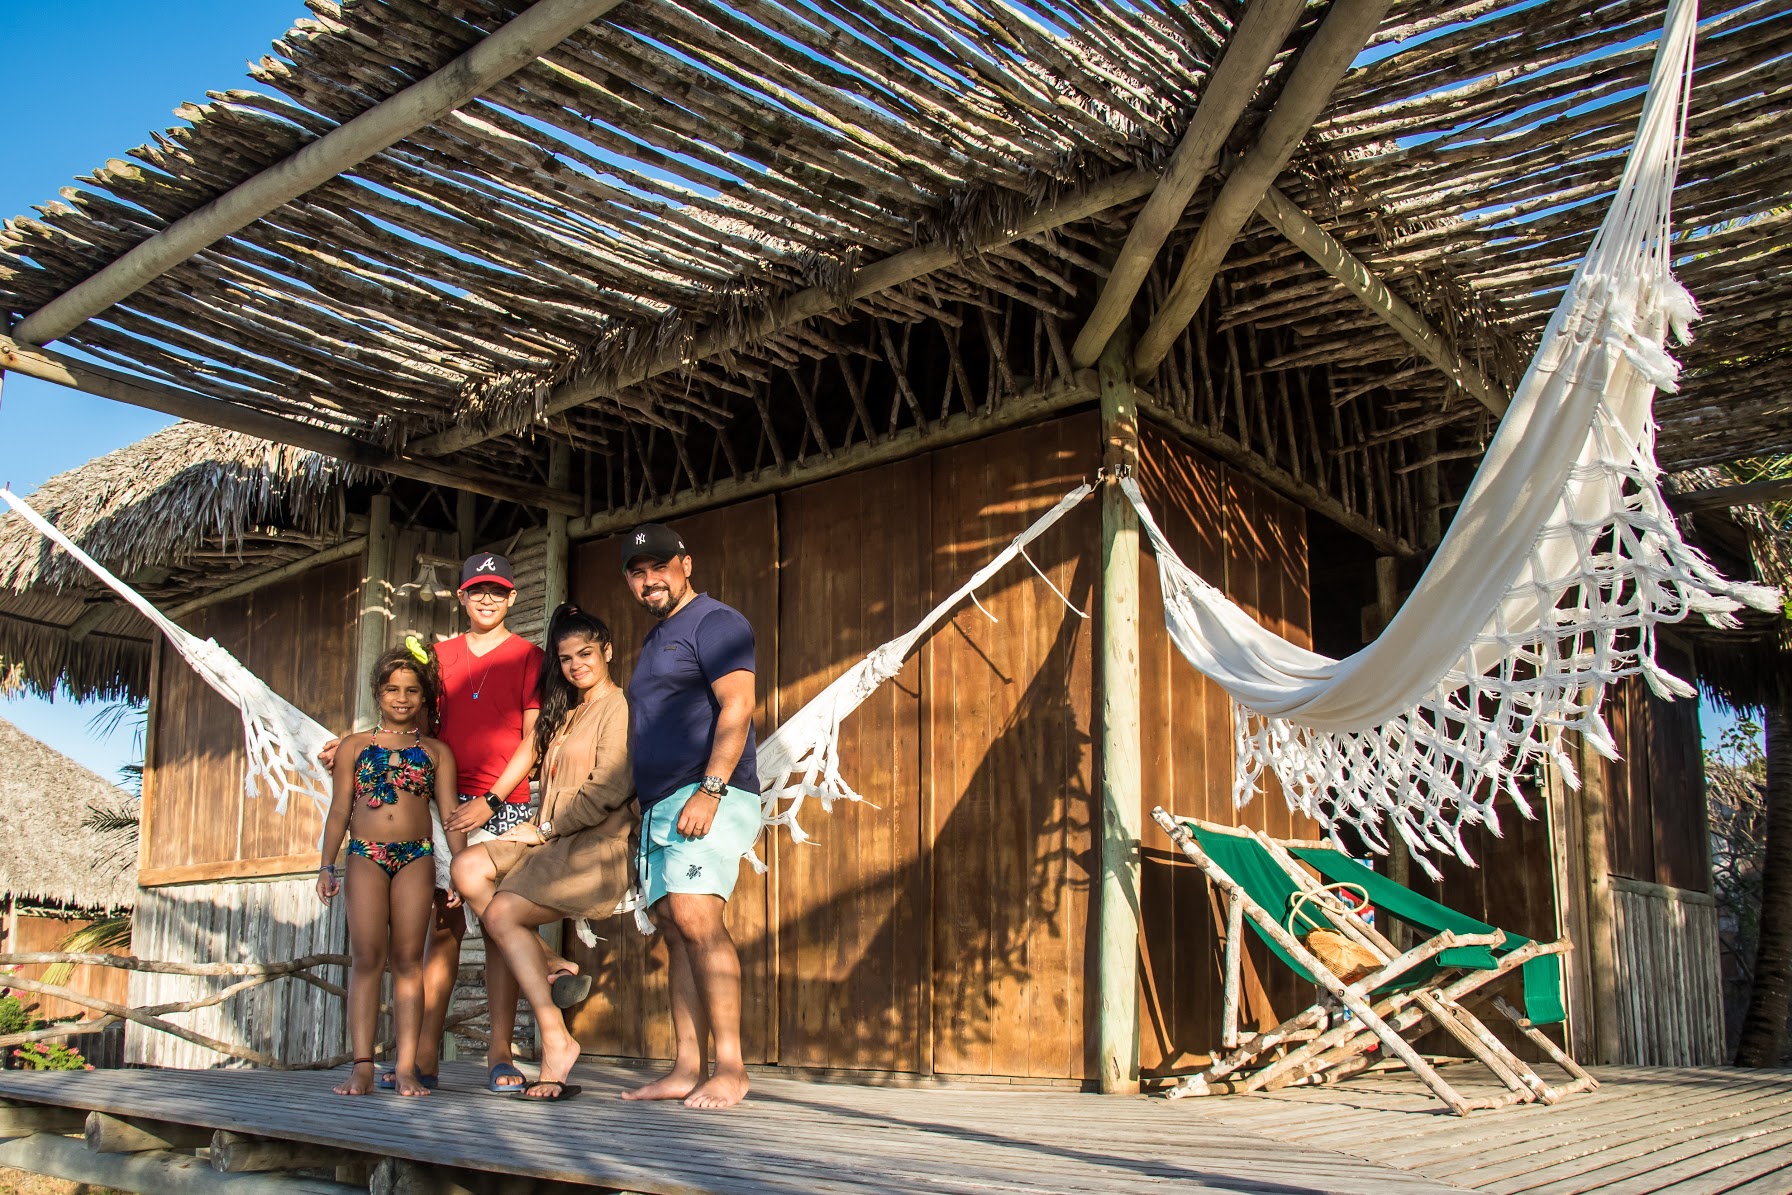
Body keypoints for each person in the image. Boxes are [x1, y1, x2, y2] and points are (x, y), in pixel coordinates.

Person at [319, 552, 552, 1093]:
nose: (487, 598)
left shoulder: (529, 657)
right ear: (462, 598)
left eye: (497, 590)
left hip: (501, 801)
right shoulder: (440, 658)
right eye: (477, 590)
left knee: (498, 925)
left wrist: (490, 802)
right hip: (438, 798)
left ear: (513, 598)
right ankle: (421, 1055)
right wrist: (353, 747)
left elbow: (532, 738)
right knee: (443, 927)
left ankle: (499, 1051)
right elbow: (410, 719)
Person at [449, 604, 636, 1101]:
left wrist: (546, 825)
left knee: (504, 913)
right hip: (552, 841)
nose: (577, 666)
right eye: (567, 658)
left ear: (607, 652)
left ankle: (555, 1038)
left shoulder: (619, 708)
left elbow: (608, 789)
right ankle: (551, 960)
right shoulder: (570, 713)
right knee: (466, 865)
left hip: (596, 848)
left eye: (587, 654)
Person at [617, 523, 761, 1110]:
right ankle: (684, 1068)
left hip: (705, 793)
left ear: (686, 564)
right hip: (659, 805)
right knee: (675, 929)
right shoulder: (657, 640)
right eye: (637, 572)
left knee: (699, 919)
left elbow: (739, 703)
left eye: (659, 567)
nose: (650, 580)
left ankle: (731, 1069)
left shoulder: (715, 622)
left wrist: (712, 787)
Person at [316, 640, 463, 1097]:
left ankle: (404, 1068)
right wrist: (326, 865)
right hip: (365, 856)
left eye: (412, 690)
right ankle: (361, 1066)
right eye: (392, 689)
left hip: (416, 858)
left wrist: (458, 866)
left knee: (408, 962)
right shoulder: (355, 747)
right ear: (377, 694)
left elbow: (450, 812)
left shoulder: (437, 752)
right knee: (366, 958)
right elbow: (340, 809)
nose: (402, 698)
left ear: (425, 698)